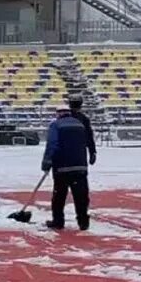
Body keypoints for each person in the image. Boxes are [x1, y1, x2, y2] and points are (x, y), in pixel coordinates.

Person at [41, 96, 97, 231]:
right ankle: (83, 221)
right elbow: (89, 138)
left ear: (59, 114)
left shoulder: (56, 125)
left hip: (62, 167)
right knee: (81, 195)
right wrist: (92, 153)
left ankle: (58, 221)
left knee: (59, 195)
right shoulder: (81, 123)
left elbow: (52, 144)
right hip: (80, 166)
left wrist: (47, 161)